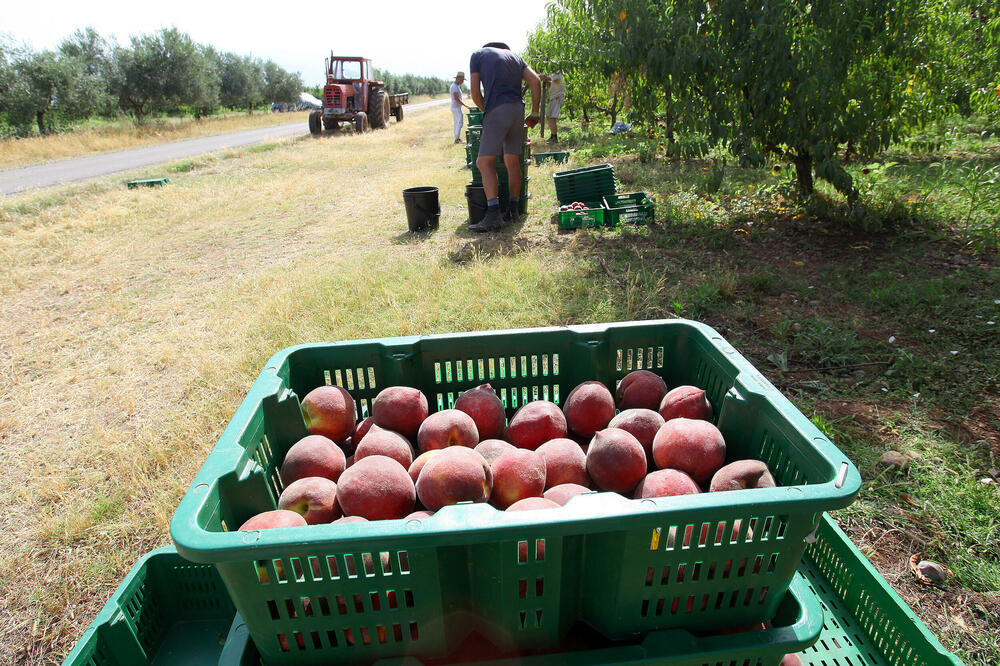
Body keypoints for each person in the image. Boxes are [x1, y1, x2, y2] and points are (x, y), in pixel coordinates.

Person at [468, 42, 541, 232]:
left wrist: (488, 112)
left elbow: (475, 93)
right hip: (518, 110)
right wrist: (535, 112)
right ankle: (513, 210)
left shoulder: (478, 54)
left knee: (483, 163)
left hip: (498, 109)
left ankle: (493, 215)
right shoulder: (516, 57)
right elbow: (535, 81)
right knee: (512, 161)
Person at [540, 70, 565, 144]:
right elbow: (550, 85)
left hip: (557, 97)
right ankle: (552, 136)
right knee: (549, 117)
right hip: (553, 97)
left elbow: (546, 78)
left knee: (551, 118)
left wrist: (535, 75)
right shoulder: (554, 74)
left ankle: (554, 137)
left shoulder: (559, 72)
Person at [450, 72, 469, 144]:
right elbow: (456, 98)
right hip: (456, 107)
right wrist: (465, 105)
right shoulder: (454, 86)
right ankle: (457, 139)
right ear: (458, 79)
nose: (462, 82)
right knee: (460, 122)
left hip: (455, 107)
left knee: (456, 123)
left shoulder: (455, 86)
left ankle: (457, 138)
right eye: (462, 80)